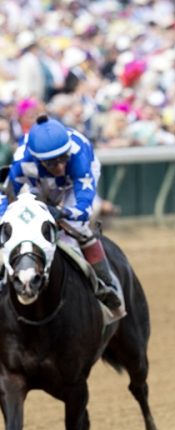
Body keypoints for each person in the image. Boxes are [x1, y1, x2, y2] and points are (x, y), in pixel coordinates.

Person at [0, 114, 121, 309]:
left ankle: (106, 284)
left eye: (63, 159)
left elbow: (83, 208)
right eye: (52, 163)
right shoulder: (22, 162)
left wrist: (62, 213)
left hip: (74, 183)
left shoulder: (78, 156)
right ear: (39, 159)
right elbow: (5, 196)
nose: (60, 166)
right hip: (36, 181)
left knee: (75, 229)